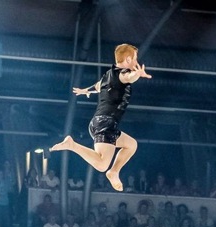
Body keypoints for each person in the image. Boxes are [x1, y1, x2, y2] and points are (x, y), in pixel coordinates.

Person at [51, 43, 152, 192]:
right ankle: (72, 145)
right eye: (135, 59)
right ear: (129, 59)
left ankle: (114, 171)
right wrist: (138, 74)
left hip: (101, 123)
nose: (137, 62)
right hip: (106, 123)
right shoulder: (122, 74)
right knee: (102, 164)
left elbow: (98, 86)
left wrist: (85, 90)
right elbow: (129, 77)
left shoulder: (108, 75)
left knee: (131, 144)